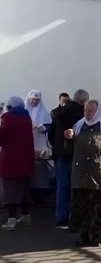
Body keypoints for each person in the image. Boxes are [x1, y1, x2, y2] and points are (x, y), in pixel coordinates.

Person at [65, 100, 101, 246]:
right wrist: (69, 139)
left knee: (97, 206)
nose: (87, 114)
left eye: (90, 111)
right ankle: (83, 235)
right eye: (86, 111)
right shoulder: (78, 127)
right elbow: (68, 151)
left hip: (99, 174)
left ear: (97, 111)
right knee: (81, 205)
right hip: (80, 174)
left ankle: (96, 235)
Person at [49, 90, 87, 226]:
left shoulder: (59, 112)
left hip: (60, 153)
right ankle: (75, 215)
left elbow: (51, 132)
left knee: (61, 186)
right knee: (75, 186)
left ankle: (61, 216)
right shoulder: (82, 112)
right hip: (76, 153)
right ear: (83, 101)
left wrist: (56, 146)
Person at [0, 97, 35, 230]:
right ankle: (26, 216)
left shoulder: (8, 117)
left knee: (10, 190)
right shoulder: (27, 117)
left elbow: (2, 137)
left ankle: (11, 219)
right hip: (26, 158)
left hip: (10, 159)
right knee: (25, 188)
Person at [25, 90, 53, 205]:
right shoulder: (25, 111)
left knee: (40, 168)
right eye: (33, 99)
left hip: (40, 143)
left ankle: (41, 195)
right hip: (28, 142)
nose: (35, 101)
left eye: (37, 100)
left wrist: (41, 127)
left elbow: (48, 127)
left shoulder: (43, 112)